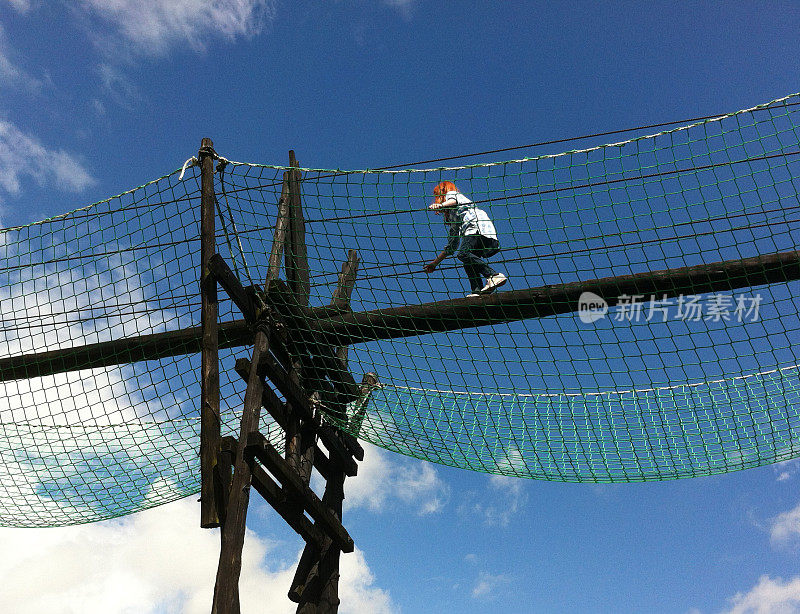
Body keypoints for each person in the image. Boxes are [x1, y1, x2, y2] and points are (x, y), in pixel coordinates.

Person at [423, 181, 507, 297]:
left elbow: (454, 201)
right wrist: (434, 263)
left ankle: (493, 275)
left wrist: (441, 205)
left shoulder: (452, 194)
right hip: (478, 232)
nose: (437, 198)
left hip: (476, 227)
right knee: (468, 261)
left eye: (437, 195)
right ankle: (477, 291)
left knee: (463, 254)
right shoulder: (453, 218)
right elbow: (452, 246)